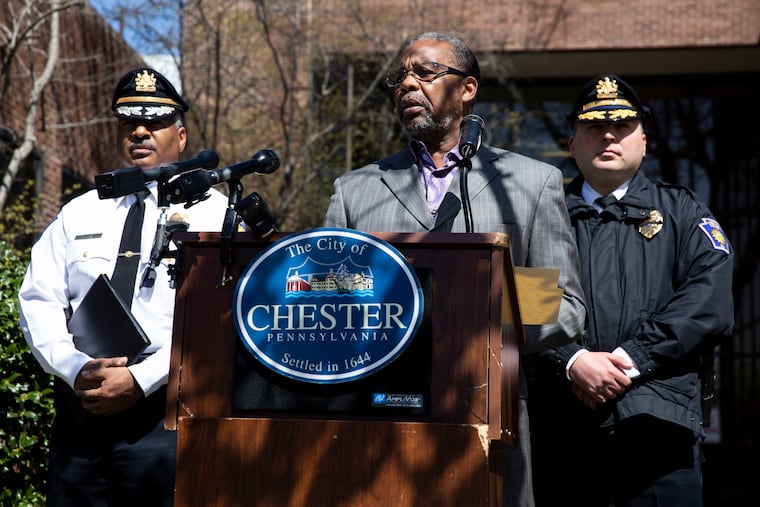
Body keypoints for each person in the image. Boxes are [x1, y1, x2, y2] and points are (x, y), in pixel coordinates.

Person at [324, 32, 586, 507]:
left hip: (487, 418)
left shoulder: (530, 182)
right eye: (400, 77)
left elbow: (565, 306)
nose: (407, 85)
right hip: (377, 422)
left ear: (467, 89)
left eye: (424, 73)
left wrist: (466, 308)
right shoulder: (355, 190)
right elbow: (328, 299)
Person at [18, 67, 228, 506]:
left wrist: (140, 378)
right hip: (81, 410)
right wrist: (75, 368)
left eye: (154, 122)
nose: (140, 131)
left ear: (182, 135)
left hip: (166, 415)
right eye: (129, 122)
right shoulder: (81, 211)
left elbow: (223, 319)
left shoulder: (218, 215)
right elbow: (39, 298)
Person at [526, 74, 734, 506]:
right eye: (592, 127)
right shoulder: (542, 215)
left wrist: (631, 359)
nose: (607, 135)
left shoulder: (682, 210)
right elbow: (524, 304)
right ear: (571, 142)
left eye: (622, 126)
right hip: (562, 433)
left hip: (661, 432)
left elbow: (709, 299)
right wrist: (574, 361)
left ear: (643, 140)